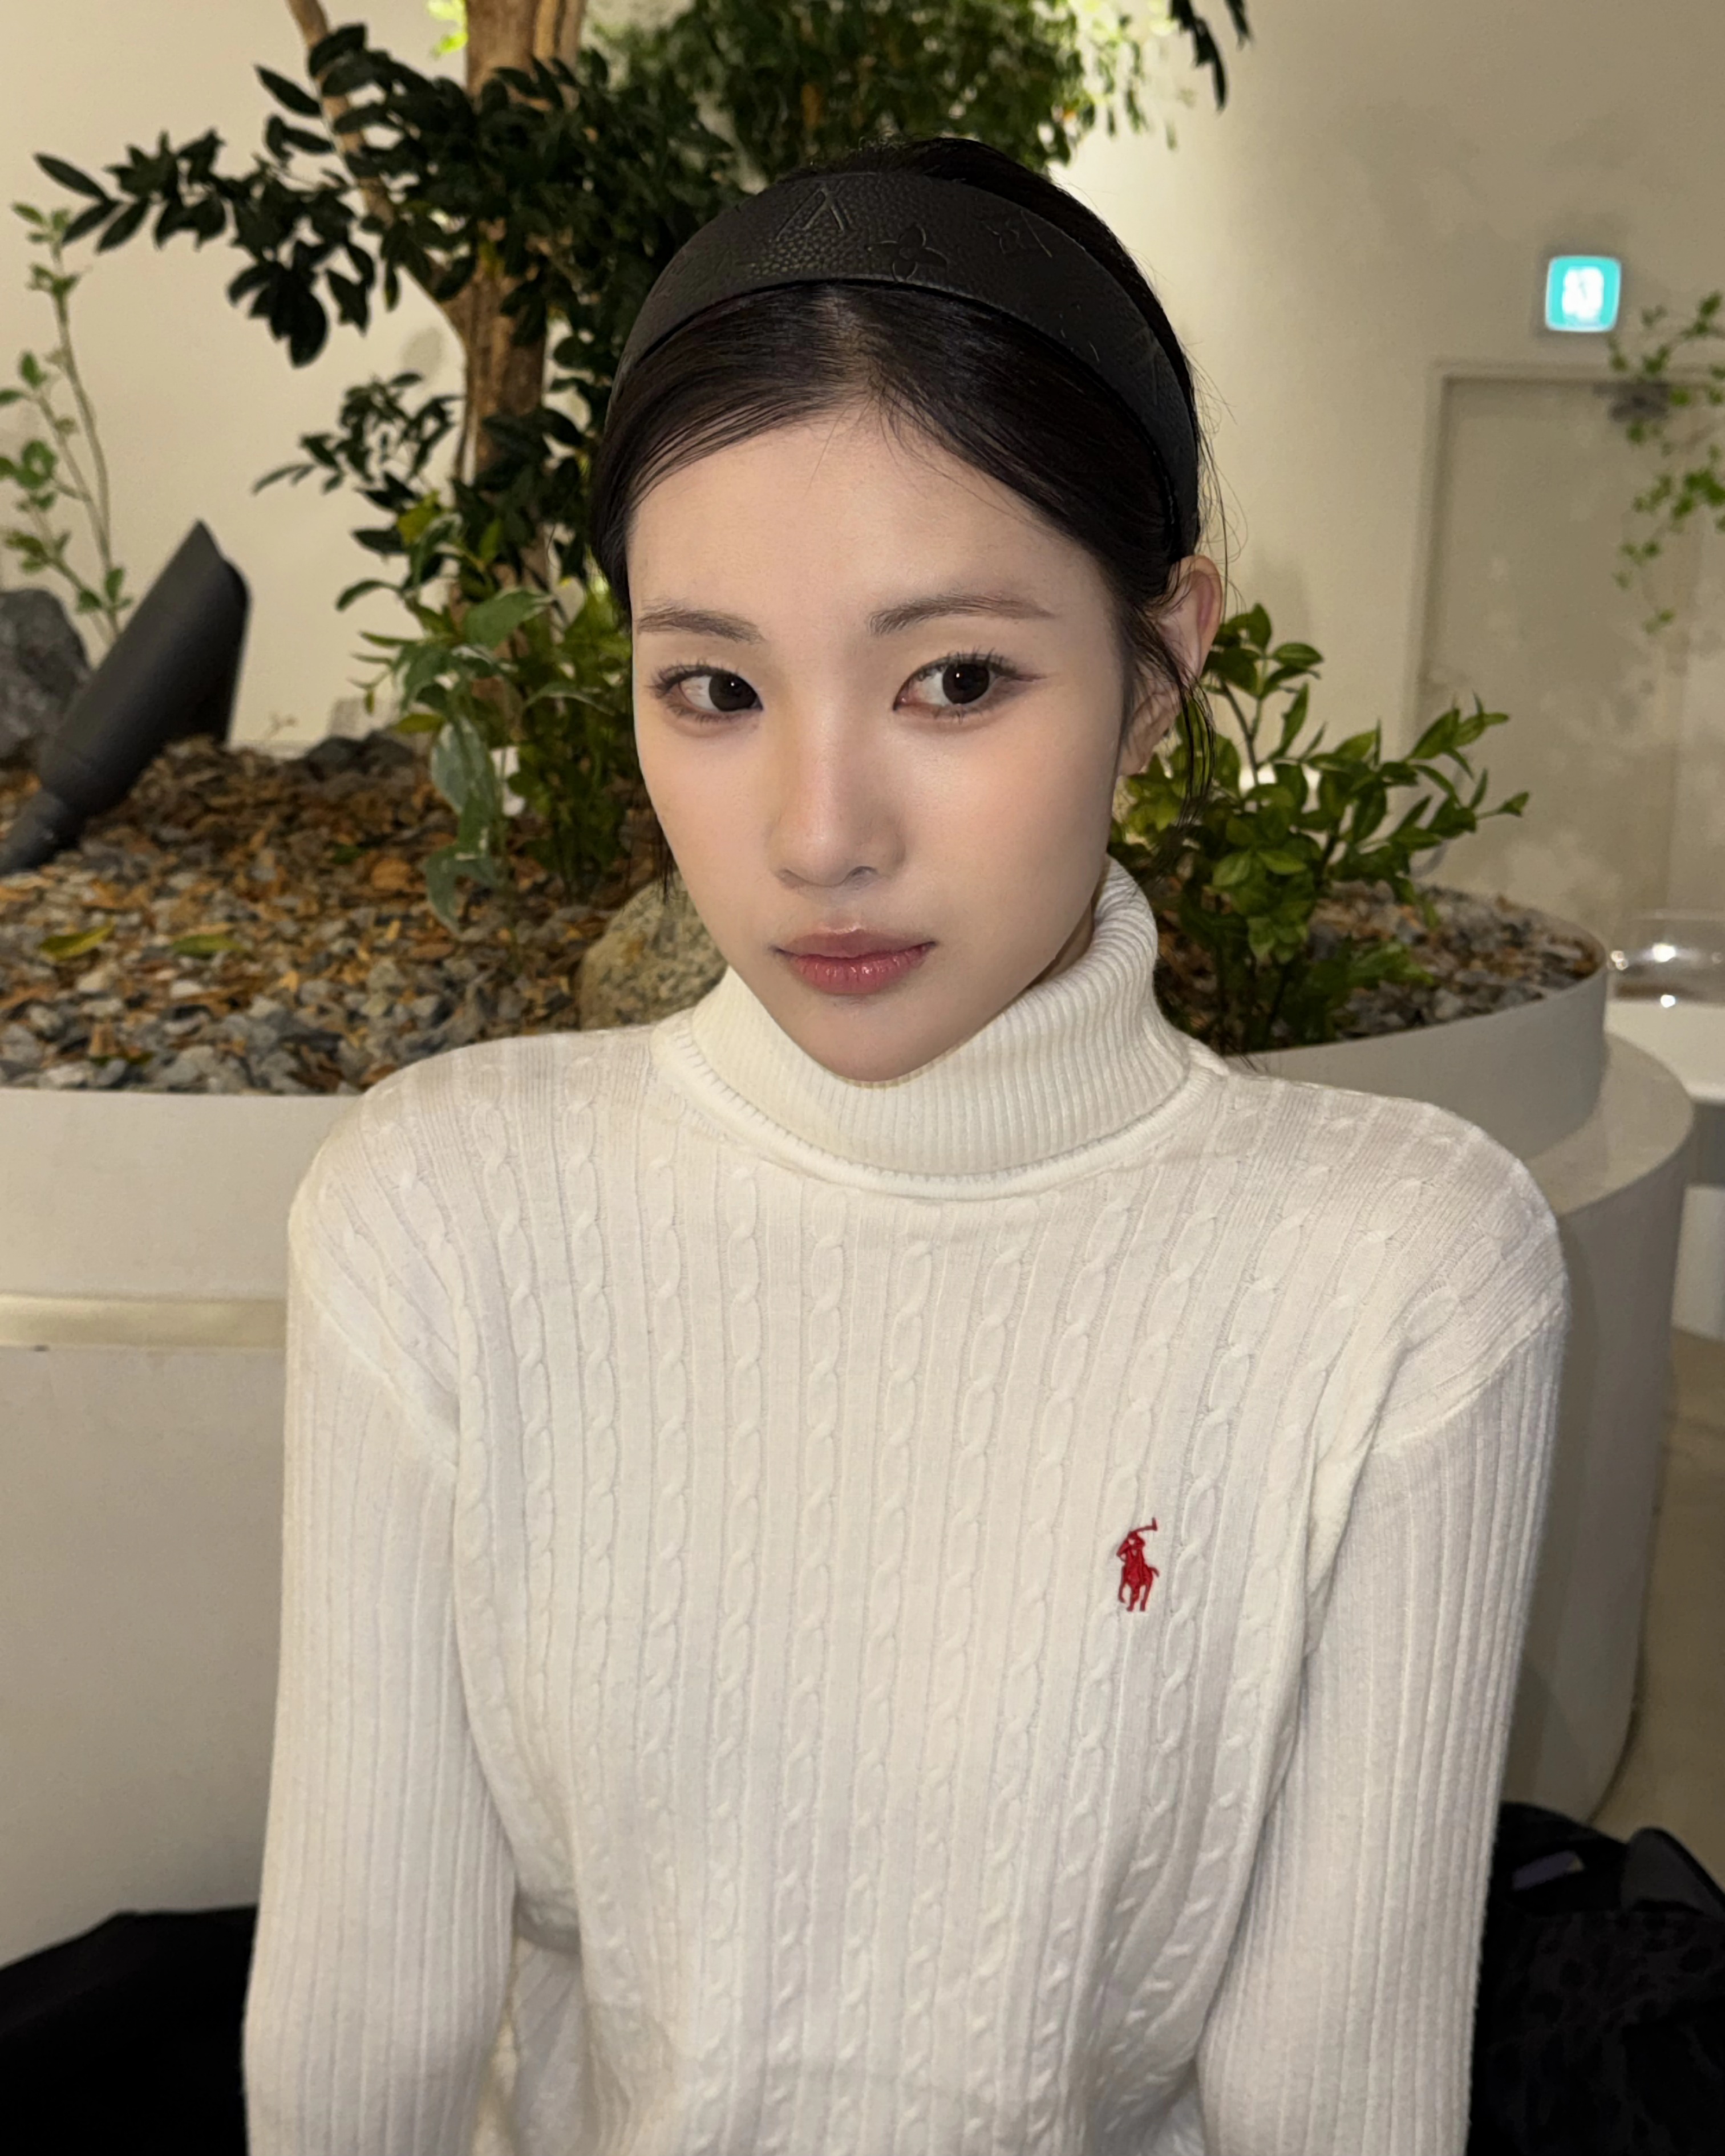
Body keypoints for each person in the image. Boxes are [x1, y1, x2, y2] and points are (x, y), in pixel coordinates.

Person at [241, 135, 1570, 2155]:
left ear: (1161, 669)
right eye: (713, 686)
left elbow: (1335, 2103)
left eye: (955, 679)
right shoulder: (441, 1218)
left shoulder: (1402, 1274)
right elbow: (365, 2049)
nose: (818, 833)